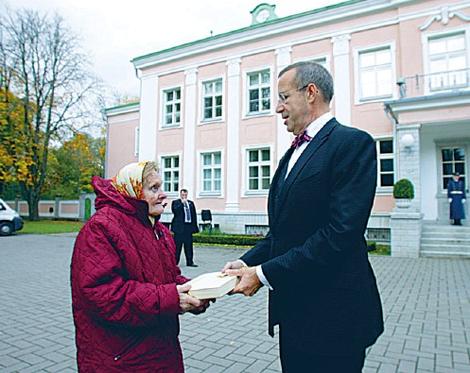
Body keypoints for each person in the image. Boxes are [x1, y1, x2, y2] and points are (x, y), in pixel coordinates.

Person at [223, 61, 384, 372]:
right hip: (294, 310)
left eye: (283, 97)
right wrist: (247, 262)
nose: (277, 108)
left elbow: (340, 233)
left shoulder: (352, 143)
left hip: (335, 317)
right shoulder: (290, 155)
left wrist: (262, 274)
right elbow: (282, 233)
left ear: (311, 93)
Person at [71, 161, 210, 372]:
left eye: (161, 187)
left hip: (160, 350)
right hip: (122, 357)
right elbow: (103, 296)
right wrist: (172, 298)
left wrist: (197, 288)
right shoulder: (101, 228)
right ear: (132, 190)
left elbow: (168, 278)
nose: (163, 195)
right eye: (154, 188)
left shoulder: (159, 229)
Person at [171, 189, 199, 267]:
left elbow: (194, 215)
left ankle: (190, 262)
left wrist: (195, 227)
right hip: (179, 228)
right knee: (177, 246)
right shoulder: (176, 203)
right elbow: (175, 211)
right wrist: (181, 204)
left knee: (189, 246)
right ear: (180, 195)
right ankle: (175, 263)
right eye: (183, 195)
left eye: (185, 195)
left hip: (188, 227)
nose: (184, 196)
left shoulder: (190, 203)